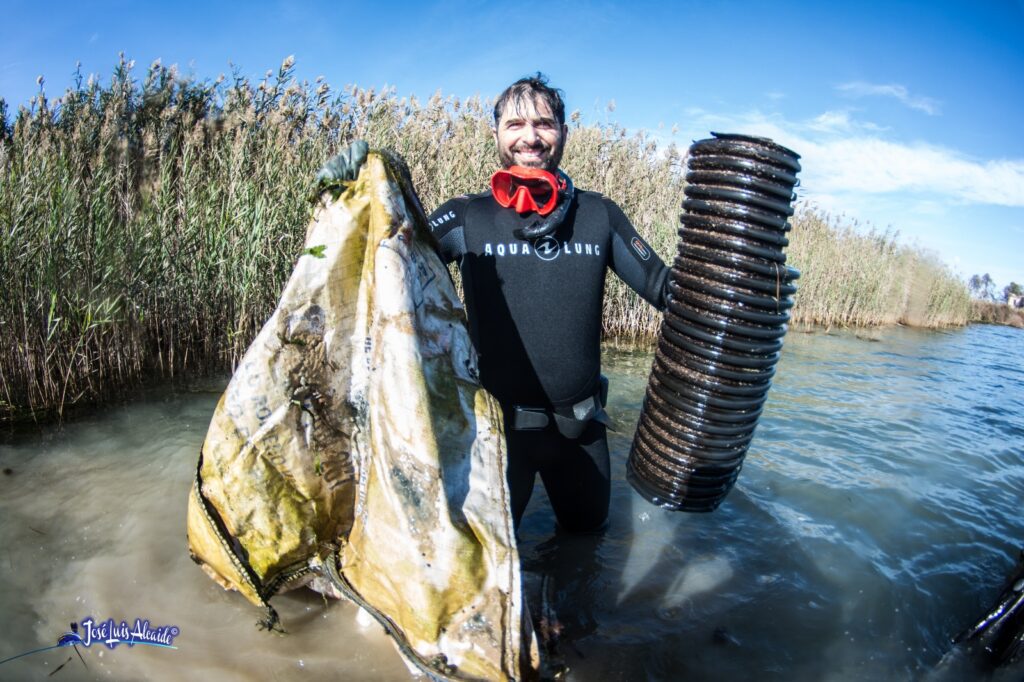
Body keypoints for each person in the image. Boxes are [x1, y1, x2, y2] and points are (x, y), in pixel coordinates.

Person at [426, 74, 670, 533]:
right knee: (490, 562)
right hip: (497, 437)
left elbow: (665, 289)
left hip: (581, 433)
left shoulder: (598, 215)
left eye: (543, 123)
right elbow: (393, 264)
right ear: (496, 134)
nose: (530, 137)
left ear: (563, 132)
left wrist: (737, 279)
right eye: (515, 124)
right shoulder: (465, 216)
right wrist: (353, 200)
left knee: (586, 553)